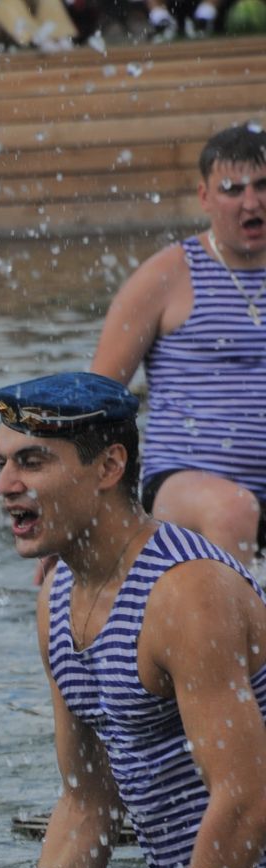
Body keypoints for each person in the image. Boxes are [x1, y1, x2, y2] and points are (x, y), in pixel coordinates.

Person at [0, 371, 266, 868]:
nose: (4, 486)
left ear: (109, 465)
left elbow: (248, 797)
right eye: (1, 464)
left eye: (31, 461)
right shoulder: (56, 598)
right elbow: (88, 800)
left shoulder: (187, 594)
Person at [91, 123, 266, 563]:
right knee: (233, 508)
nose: (252, 202)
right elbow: (97, 402)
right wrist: (75, 518)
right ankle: (232, 632)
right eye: (233, 189)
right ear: (205, 197)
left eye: (262, 185)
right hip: (183, 484)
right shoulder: (165, 276)